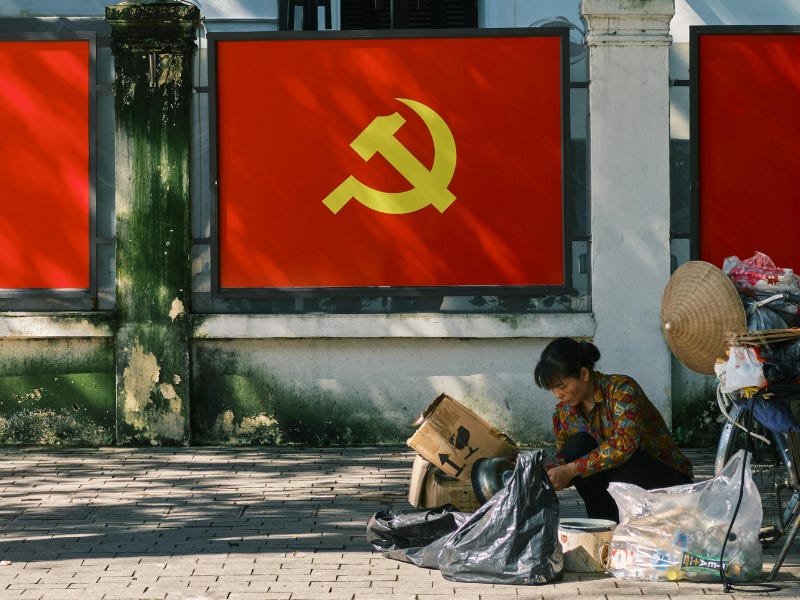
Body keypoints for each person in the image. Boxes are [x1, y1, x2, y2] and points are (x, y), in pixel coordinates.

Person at [534, 337, 693, 522]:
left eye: (562, 386)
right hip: (617, 487)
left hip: (665, 483)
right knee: (575, 447)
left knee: (620, 460)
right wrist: (548, 473)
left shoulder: (621, 389)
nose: (557, 395)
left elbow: (624, 444)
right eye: (552, 389)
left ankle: (630, 521)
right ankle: (602, 522)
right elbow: (565, 459)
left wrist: (571, 469)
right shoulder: (563, 412)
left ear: (584, 374)